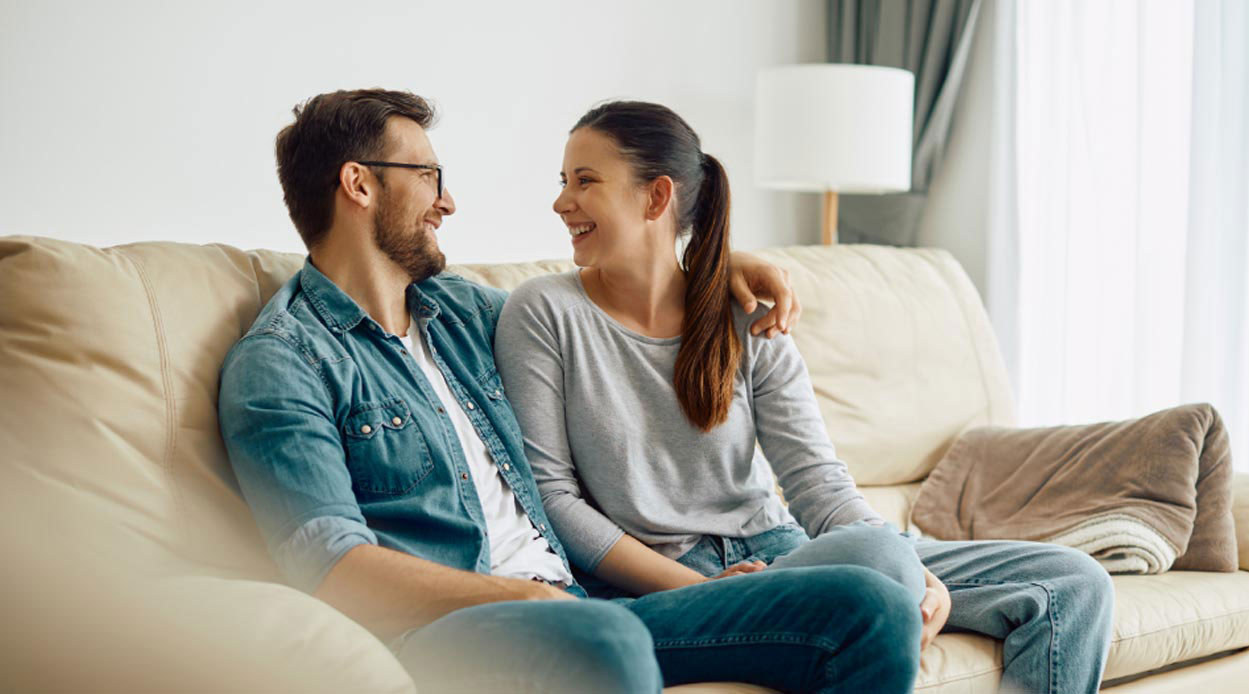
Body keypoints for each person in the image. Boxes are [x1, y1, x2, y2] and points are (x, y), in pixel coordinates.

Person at [218, 88, 922, 694]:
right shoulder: (283, 363)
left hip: (588, 603)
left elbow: (609, 297)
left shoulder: (464, 312)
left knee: (868, 602)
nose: (448, 201)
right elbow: (332, 566)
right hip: (454, 628)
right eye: (430, 175)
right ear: (359, 184)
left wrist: (713, 267)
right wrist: (517, 593)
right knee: (603, 645)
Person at [495, 100, 1117, 694]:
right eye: (564, 180)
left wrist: (908, 565)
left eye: (584, 180)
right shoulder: (544, 313)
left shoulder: (744, 313)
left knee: (1074, 583)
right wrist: (699, 589)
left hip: (787, 551)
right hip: (671, 578)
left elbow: (817, 480)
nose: (561, 201)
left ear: (656, 196)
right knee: (878, 561)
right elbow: (553, 499)